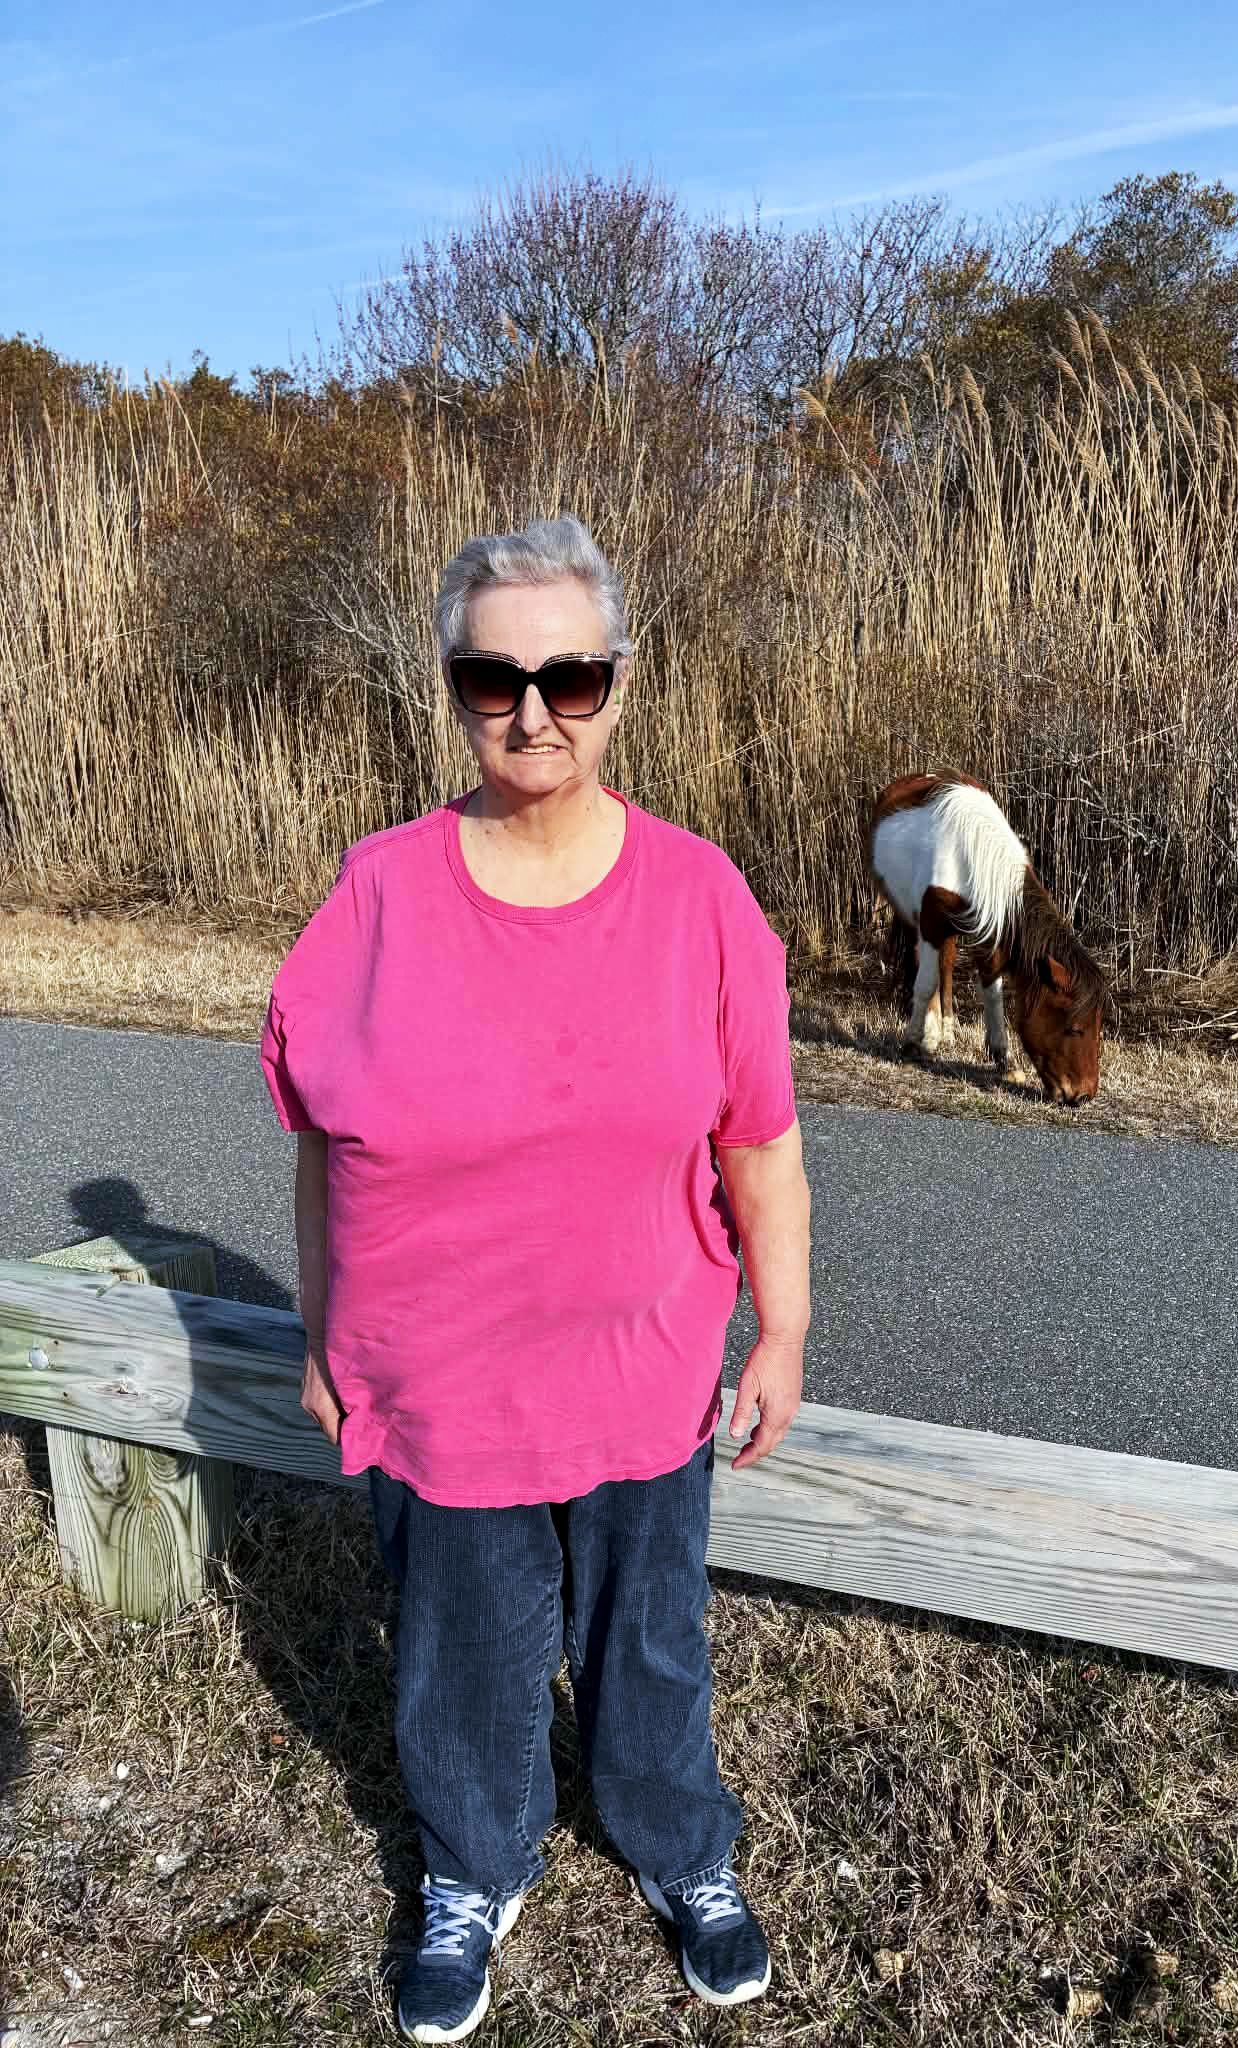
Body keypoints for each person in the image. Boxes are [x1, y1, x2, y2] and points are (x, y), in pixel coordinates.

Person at [259, 516, 811, 2043]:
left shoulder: (704, 900)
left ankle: (678, 1846)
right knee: (463, 1649)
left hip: (642, 1362)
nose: (533, 713)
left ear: (619, 682)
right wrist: (324, 1334)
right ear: (450, 689)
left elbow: (759, 1139)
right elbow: (322, 1141)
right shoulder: (374, 894)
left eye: (569, 674)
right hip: (440, 1376)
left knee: (648, 1634)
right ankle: (471, 1866)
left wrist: (785, 1327)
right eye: (492, 679)